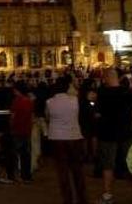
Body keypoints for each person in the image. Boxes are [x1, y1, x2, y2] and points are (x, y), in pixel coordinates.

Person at [97, 69, 132, 204]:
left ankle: (108, 194)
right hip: (124, 132)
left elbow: (97, 114)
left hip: (107, 133)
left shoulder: (102, 94)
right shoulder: (127, 92)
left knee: (108, 165)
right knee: (129, 164)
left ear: (107, 78)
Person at [47, 76, 87, 204]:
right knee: (77, 170)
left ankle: (68, 199)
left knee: (62, 171)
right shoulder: (75, 100)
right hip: (74, 136)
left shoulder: (49, 102)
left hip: (57, 137)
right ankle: (82, 198)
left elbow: (48, 117)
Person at [7, 80, 34, 183]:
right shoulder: (29, 101)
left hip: (17, 130)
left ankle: (12, 176)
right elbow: (31, 116)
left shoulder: (16, 101)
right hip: (26, 130)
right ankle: (26, 176)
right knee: (26, 155)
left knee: (13, 154)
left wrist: (11, 127)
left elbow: (13, 117)